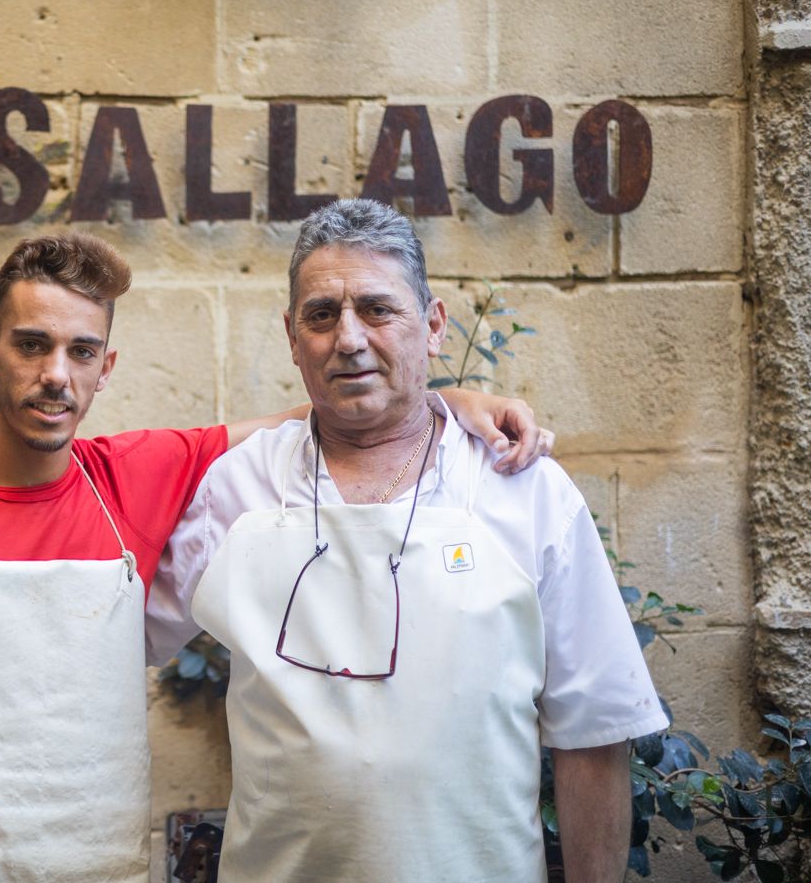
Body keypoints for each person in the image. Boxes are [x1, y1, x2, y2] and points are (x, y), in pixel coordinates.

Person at [0, 233, 549, 883]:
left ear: (108, 367)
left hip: (103, 867)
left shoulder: (135, 477)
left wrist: (448, 399)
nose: (56, 376)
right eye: (31, 344)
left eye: (82, 351)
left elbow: (325, 408)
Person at [145, 199, 667, 883]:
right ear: (292, 336)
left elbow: (593, 732)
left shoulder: (523, 488)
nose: (350, 338)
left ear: (434, 325)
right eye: (322, 315)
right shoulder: (236, 488)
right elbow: (110, 638)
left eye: (377, 309)